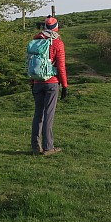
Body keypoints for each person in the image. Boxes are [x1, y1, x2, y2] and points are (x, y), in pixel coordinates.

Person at [30, 15, 68, 155]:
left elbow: (31, 64)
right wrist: (65, 85)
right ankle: (48, 147)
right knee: (48, 114)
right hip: (51, 82)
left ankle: (35, 146)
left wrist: (32, 81)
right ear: (56, 27)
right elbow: (61, 66)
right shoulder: (58, 43)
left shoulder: (35, 40)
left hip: (37, 82)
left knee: (38, 114)